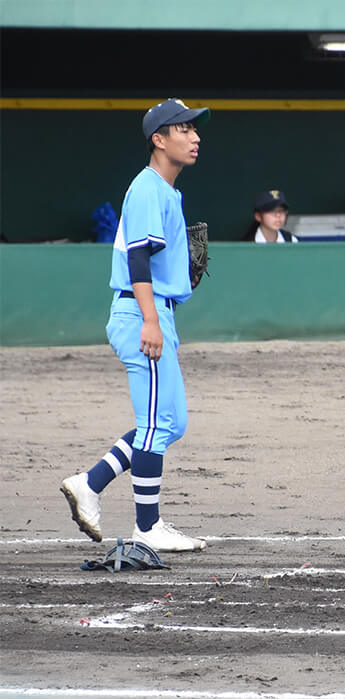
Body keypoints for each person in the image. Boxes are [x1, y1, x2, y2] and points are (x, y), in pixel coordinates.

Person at [59, 98, 210, 553]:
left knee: (170, 422)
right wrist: (150, 319)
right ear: (159, 140)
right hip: (140, 312)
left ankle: (90, 483)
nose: (195, 136)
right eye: (184, 128)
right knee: (154, 423)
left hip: (153, 310)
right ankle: (148, 526)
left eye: (195, 129)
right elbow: (137, 257)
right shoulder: (147, 187)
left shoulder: (167, 191)